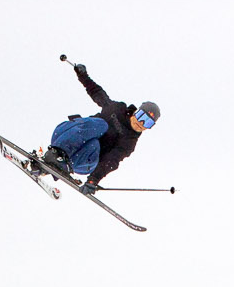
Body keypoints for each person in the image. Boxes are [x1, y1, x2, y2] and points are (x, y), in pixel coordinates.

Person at [40, 61, 158, 192]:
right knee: (100, 124)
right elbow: (97, 92)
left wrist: (93, 180)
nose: (141, 123)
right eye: (141, 116)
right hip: (65, 136)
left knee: (95, 145)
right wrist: (83, 75)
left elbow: (110, 161)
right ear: (136, 111)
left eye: (148, 123)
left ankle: (58, 163)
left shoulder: (129, 142)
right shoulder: (117, 108)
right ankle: (56, 155)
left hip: (82, 160)